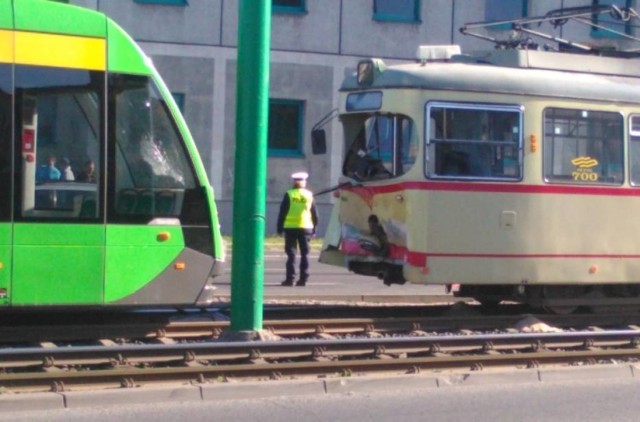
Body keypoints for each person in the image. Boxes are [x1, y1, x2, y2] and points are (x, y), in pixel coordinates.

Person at [277, 171, 319, 287]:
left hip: (290, 228)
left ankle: (290, 279)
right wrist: (315, 228)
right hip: (306, 228)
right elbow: (314, 213)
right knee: (305, 254)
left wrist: (279, 228)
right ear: (304, 182)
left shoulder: (289, 194)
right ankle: (303, 279)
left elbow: (282, 212)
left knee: (291, 254)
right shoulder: (309, 195)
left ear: (294, 182)